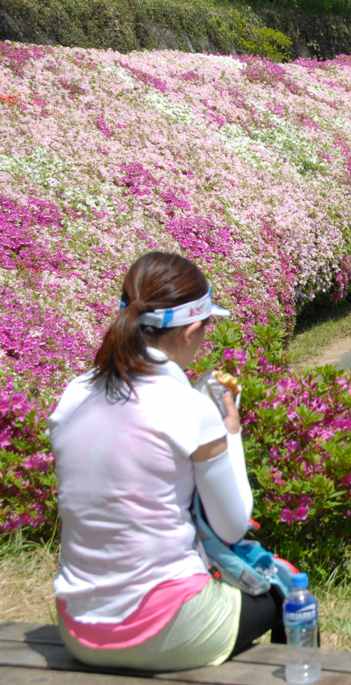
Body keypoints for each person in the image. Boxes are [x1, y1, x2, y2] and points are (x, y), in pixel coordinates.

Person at [48, 251, 285, 671]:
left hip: (80, 629)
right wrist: (230, 431)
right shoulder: (189, 407)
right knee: (286, 589)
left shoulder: (73, 394)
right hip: (162, 628)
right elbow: (232, 525)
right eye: (207, 327)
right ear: (192, 329)